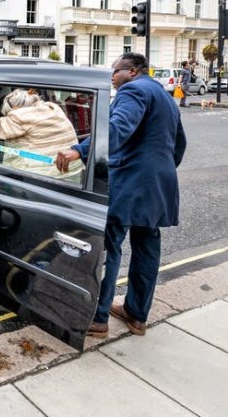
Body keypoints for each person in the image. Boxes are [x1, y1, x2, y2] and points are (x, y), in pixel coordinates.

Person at [55, 53, 186, 338]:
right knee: (146, 247)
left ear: (134, 71)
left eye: (115, 71)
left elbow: (117, 128)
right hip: (158, 183)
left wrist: (80, 149)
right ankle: (137, 315)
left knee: (109, 246)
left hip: (130, 182)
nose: (112, 77)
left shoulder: (133, 90)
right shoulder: (164, 96)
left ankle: (98, 317)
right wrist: (157, 171)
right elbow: (179, 144)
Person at [0, 88, 83, 179]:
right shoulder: (53, 110)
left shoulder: (22, 117)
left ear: (16, 108)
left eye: (9, 112)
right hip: (74, 172)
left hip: (45, 176)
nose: (8, 115)